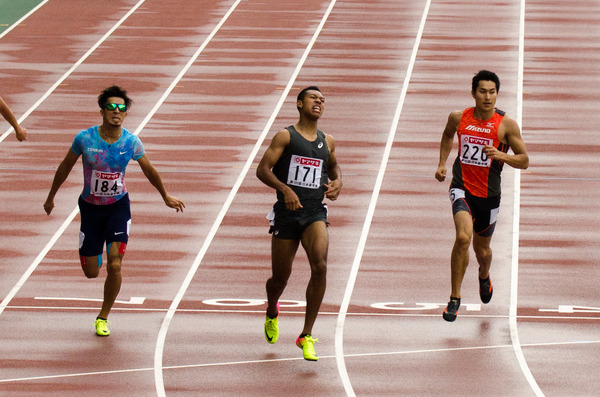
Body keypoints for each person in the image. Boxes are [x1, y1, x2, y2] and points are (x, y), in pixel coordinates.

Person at [43, 86, 185, 336]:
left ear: (126, 114)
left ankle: (103, 316)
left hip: (118, 207)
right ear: (102, 111)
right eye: (111, 107)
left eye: (121, 108)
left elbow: (149, 170)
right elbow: (65, 166)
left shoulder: (131, 142)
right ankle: (93, 254)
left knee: (116, 264)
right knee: (91, 273)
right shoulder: (85, 139)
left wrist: (165, 196)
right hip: (90, 208)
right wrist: (51, 196)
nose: (116, 112)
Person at [435, 70, 529, 322]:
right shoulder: (459, 117)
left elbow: (524, 160)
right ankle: (455, 298)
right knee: (463, 237)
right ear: (473, 93)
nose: (488, 97)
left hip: (489, 195)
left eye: (492, 92)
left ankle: (484, 275)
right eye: (482, 91)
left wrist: (501, 156)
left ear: (497, 94)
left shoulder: (506, 124)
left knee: (483, 251)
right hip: (461, 187)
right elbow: (446, 135)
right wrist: (442, 163)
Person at [256, 86, 342, 361]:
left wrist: (339, 182)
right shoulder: (286, 136)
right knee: (280, 278)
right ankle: (272, 309)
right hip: (286, 214)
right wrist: (285, 189)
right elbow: (262, 169)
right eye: (313, 98)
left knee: (320, 266)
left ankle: (306, 334)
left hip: (315, 212)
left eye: (323, 100)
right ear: (299, 103)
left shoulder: (327, 141)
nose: (319, 102)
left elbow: (334, 168)